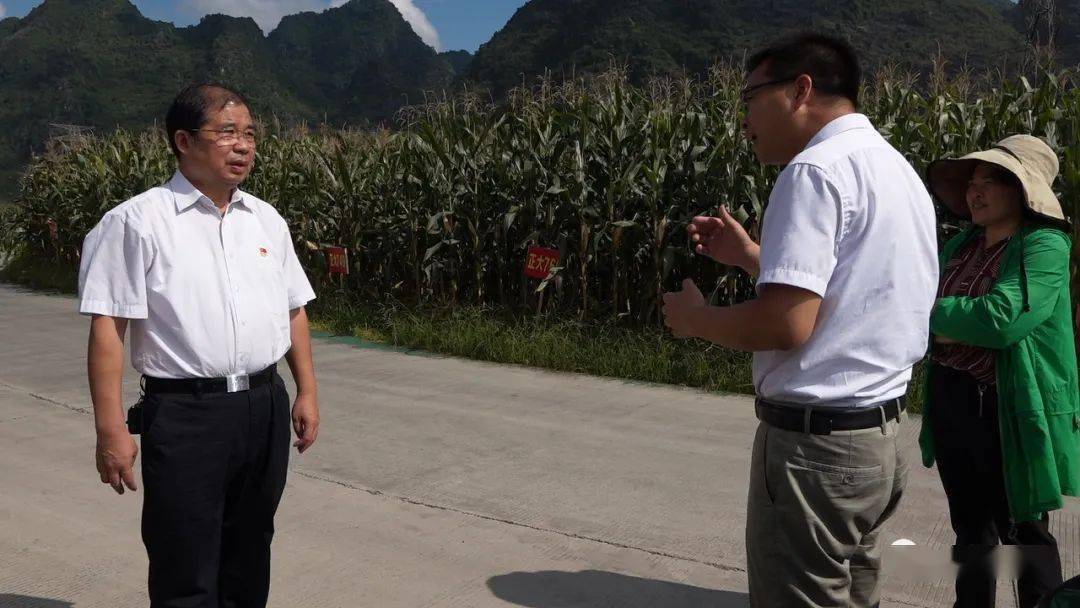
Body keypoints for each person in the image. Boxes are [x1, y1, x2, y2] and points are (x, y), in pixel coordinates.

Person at [661, 34, 939, 606]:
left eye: (750, 99)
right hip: (878, 444)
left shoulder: (813, 171)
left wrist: (696, 319)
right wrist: (753, 259)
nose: (744, 120)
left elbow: (786, 327)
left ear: (800, 90)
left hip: (817, 453)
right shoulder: (896, 170)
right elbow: (855, 293)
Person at [78, 83, 320, 607]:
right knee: (184, 556)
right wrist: (110, 429)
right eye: (227, 132)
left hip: (264, 405)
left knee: (250, 549)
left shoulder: (266, 220)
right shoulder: (135, 223)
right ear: (184, 141)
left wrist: (306, 390)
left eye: (251, 134)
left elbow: (293, 309)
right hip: (186, 413)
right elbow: (107, 331)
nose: (244, 145)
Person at [921, 134, 1080, 607]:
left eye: (992, 179)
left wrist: (933, 319)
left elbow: (1004, 320)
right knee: (970, 528)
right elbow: (918, 303)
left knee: (1024, 529)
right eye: (973, 179)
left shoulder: (1044, 244)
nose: (975, 189)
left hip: (1010, 403)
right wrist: (952, 322)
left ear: (1023, 189)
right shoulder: (963, 243)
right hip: (953, 396)